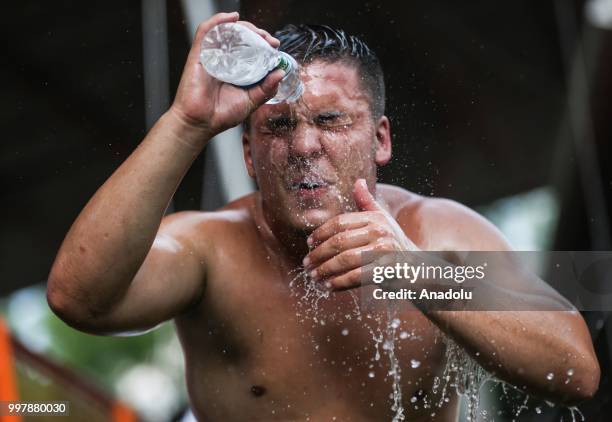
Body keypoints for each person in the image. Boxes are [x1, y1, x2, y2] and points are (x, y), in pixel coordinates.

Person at [47, 12, 599, 421]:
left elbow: (576, 368)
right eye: (279, 127)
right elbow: (78, 299)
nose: (305, 146)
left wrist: (412, 271)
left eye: (331, 120)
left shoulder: (436, 232)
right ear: (248, 153)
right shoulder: (209, 249)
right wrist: (187, 122)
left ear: (380, 139)